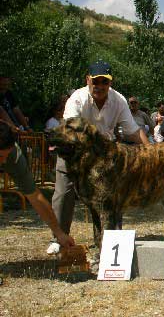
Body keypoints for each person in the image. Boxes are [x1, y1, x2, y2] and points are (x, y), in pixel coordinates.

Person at [47, 61, 149, 255]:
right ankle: (58, 237)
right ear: (88, 80)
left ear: (110, 83)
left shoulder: (119, 100)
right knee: (64, 191)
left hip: (104, 157)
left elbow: (134, 131)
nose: (100, 86)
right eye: (96, 81)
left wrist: (152, 153)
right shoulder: (77, 99)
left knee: (111, 194)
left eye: (105, 82)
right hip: (74, 152)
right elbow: (69, 131)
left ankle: (111, 238)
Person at [0, 121, 75, 252]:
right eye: (0, 157)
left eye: (6, 156)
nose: (4, 162)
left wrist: (59, 233)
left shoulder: (14, 157)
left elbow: (35, 197)